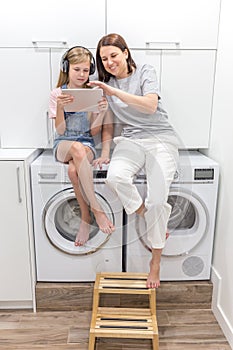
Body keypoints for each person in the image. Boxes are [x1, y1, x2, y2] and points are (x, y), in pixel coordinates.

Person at [89, 34, 179, 288]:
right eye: (104, 59)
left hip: (161, 138)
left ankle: (155, 263)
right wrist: (105, 151)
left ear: (126, 53)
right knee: (115, 178)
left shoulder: (145, 72)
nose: (109, 62)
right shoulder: (104, 85)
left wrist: (112, 91)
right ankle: (147, 216)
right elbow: (105, 124)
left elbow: (150, 106)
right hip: (130, 141)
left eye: (113, 56)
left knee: (158, 200)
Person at [49, 46, 115, 247]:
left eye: (86, 70)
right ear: (67, 68)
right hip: (63, 143)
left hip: (86, 143)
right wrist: (60, 107)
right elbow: (60, 131)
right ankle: (97, 209)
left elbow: (93, 132)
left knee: (73, 171)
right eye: (77, 69)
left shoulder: (92, 94)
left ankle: (85, 219)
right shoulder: (57, 93)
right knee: (76, 149)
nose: (81, 74)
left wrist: (101, 112)